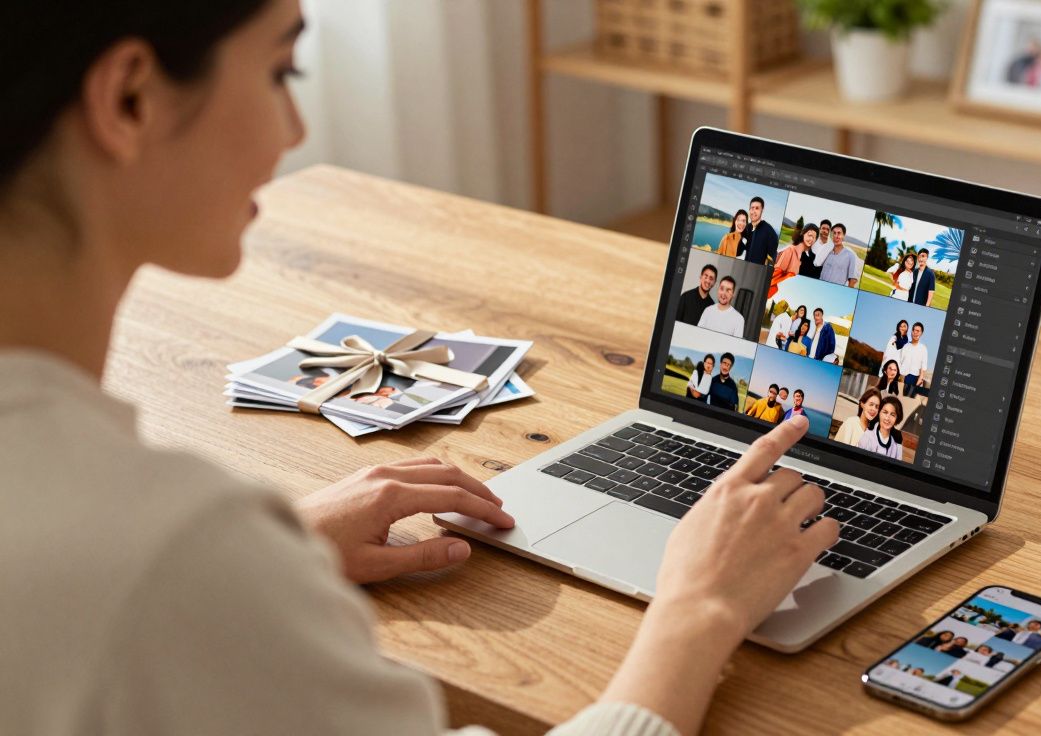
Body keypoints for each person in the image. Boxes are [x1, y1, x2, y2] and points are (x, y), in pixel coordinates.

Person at [0, 4, 845, 734]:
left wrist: (271, 552)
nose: (295, 130)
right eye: (280, 68)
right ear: (130, 98)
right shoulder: (165, 551)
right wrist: (699, 611)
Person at [816, 223, 859, 288]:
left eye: (839, 233)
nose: (836, 236)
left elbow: (852, 280)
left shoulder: (850, 256)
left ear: (843, 236)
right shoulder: (825, 253)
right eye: (834, 233)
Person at [742, 195, 779, 265]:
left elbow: (773, 259)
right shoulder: (746, 228)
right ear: (749, 209)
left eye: (757, 208)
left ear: (762, 210)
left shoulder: (769, 232)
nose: (754, 211)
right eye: (752, 208)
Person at [899, 322, 929, 398]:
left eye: (918, 331)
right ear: (911, 332)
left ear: (921, 333)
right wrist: (901, 379)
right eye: (914, 330)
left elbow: (923, 368)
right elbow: (900, 362)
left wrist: (919, 381)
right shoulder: (905, 346)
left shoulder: (923, 348)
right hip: (904, 377)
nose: (915, 333)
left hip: (915, 379)